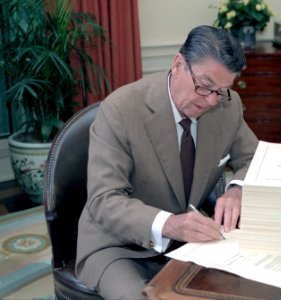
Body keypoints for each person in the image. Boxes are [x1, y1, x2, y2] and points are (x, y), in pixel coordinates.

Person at [75, 25, 259, 299]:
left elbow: (255, 157)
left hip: (190, 242)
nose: (211, 101)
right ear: (178, 64)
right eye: (205, 86)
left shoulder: (227, 105)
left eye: (221, 90)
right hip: (119, 246)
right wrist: (170, 224)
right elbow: (104, 200)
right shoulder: (121, 110)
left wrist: (237, 189)